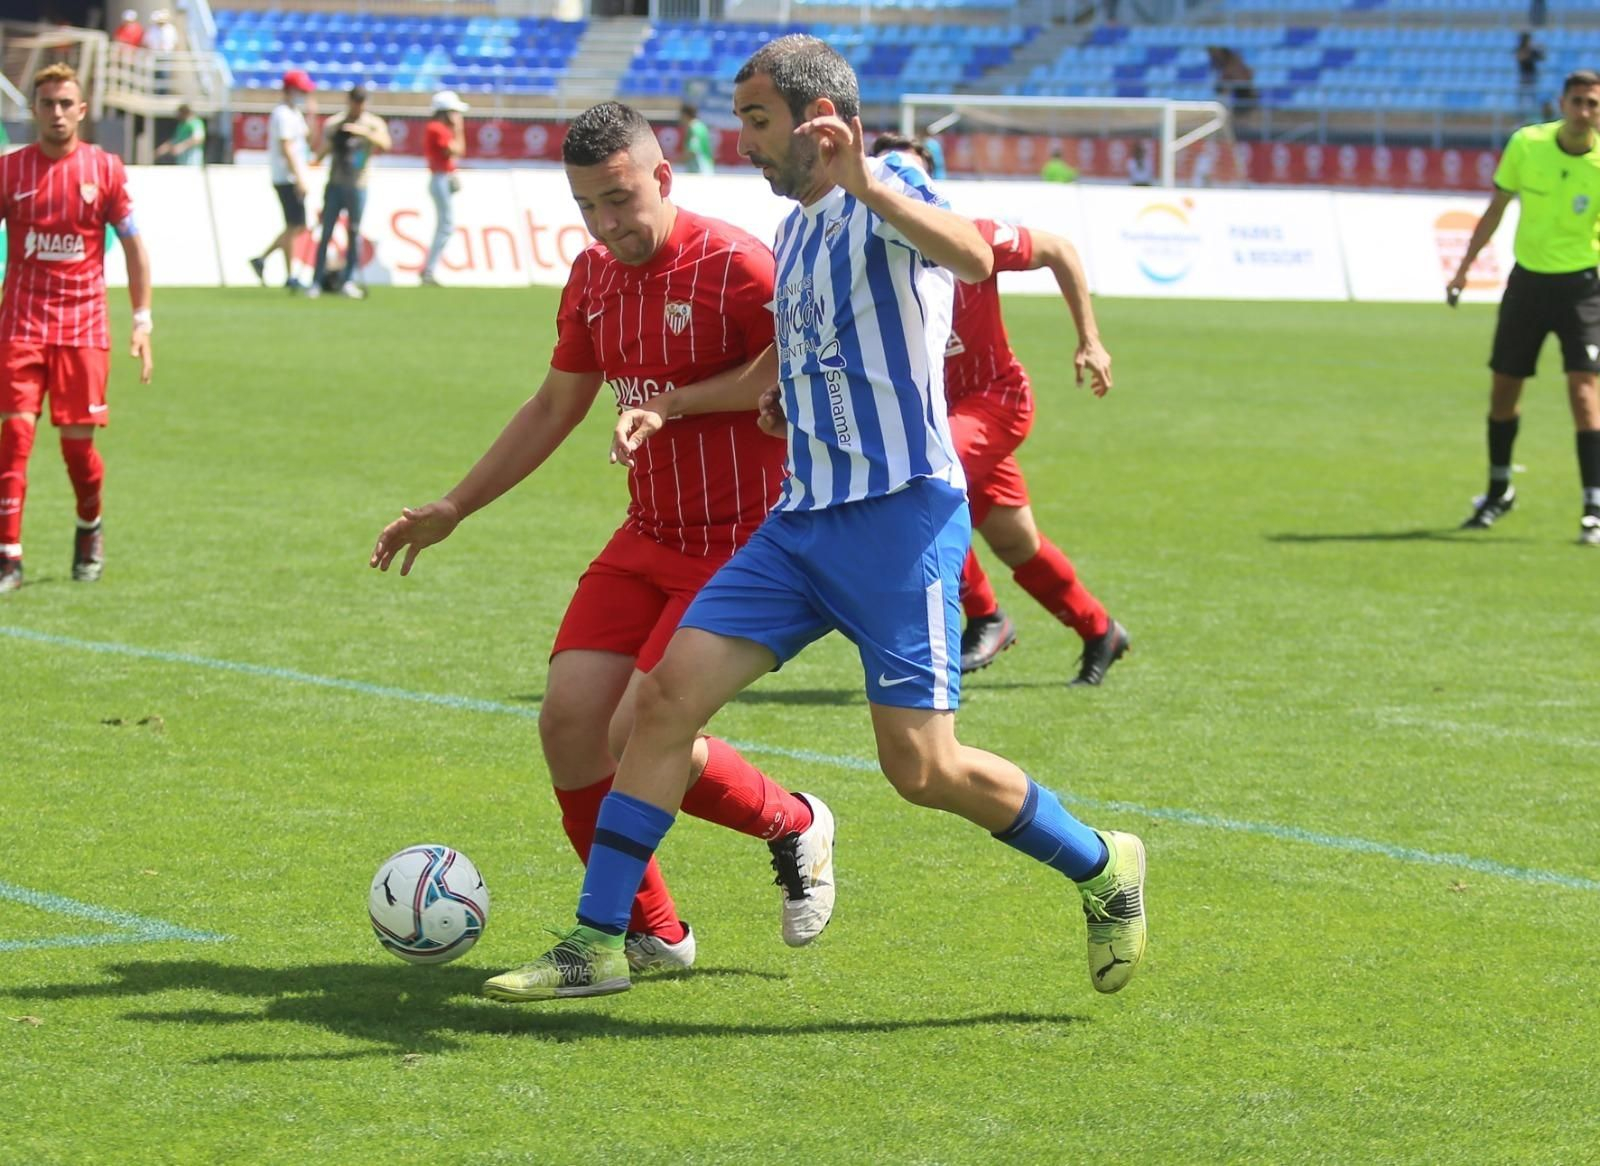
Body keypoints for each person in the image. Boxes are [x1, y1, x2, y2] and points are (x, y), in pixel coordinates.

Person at [482, 35, 1146, 1003]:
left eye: (756, 121)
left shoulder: (895, 181)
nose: (742, 142)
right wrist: (784, 401)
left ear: (819, 121)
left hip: (897, 522)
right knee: (662, 704)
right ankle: (602, 938)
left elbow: (967, 258)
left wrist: (869, 183)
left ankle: (1100, 863)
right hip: (799, 521)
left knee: (921, 768)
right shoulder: (795, 230)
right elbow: (819, 354)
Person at [371, 101, 836, 978]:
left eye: (620, 199)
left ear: (662, 176)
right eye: (589, 206)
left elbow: (794, 365)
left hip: (743, 543)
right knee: (569, 723)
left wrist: (674, 403)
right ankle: (652, 933)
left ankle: (795, 824)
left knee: (635, 730)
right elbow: (554, 405)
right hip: (648, 532)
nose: (608, 223)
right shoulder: (592, 277)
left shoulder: (738, 264)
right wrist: (454, 506)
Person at [869, 133, 1126, 685]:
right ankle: (1099, 628)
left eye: (913, 176)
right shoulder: (870, 253)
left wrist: (1090, 339)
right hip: (943, 416)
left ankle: (985, 616)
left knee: (920, 482)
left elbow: (1059, 249)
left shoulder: (975, 238)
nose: (903, 189)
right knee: (1017, 543)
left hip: (994, 401)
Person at [0, 63, 154, 594]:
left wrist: (141, 320)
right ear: (34, 110)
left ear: (82, 110)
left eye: (67, 104)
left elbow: (134, 246)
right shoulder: (9, 172)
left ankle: (89, 529)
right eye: (48, 104)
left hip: (84, 326)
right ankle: (8, 557)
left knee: (75, 449)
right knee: (15, 435)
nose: (58, 113)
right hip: (20, 322)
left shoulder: (105, 170)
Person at [1447, 69, 1600, 546]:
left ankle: (1593, 507)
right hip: (1527, 285)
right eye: (1578, 101)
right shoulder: (1526, 145)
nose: (1584, 112)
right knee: (1503, 393)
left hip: (1583, 289)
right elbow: (1495, 209)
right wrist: (1464, 267)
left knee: (1584, 394)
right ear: (1562, 102)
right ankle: (1498, 490)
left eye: (1594, 104)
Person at [309, 84, 389, 299]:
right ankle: (315, 281)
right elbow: (322, 151)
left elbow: (385, 144)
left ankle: (348, 280)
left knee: (353, 233)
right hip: (335, 182)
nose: (358, 106)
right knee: (326, 232)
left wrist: (362, 132)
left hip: (358, 184)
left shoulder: (373, 123)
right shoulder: (335, 123)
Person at [249, 70, 317, 292]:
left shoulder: (294, 113)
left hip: (292, 176)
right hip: (286, 177)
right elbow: (287, 148)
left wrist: (312, 115)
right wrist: (299, 178)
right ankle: (280, 269)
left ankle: (267, 262)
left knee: (294, 226)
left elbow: (307, 139)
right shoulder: (282, 114)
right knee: (295, 225)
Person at [420, 90, 466, 286]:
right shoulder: (437, 128)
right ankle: (429, 269)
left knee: (444, 225)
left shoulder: (438, 128)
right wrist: (459, 130)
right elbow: (456, 149)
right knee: (446, 225)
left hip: (443, 178)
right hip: (440, 178)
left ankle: (429, 269)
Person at [678, 102, 714, 174]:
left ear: (685, 115)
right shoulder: (701, 126)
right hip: (707, 168)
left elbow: (692, 151)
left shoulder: (693, 128)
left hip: (699, 170)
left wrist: (673, 161)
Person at [1516, 32, 1545, 115]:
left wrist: (1540, 49)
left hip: (1532, 75)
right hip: (1524, 75)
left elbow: (1542, 57)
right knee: (1522, 94)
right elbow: (1521, 58)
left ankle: (1534, 111)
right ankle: (1520, 112)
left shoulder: (1532, 50)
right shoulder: (1521, 49)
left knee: (1533, 94)